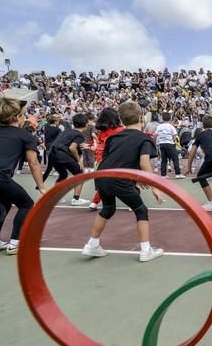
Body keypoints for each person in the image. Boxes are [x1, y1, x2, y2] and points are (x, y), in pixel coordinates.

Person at [81, 101, 164, 263]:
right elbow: (144, 163)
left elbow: (110, 158)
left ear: (120, 119)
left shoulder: (113, 137)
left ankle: (92, 244)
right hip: (118, 178)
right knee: (141, 211)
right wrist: (155, 187)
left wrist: (135, 177)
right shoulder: (145, 139)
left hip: (102, 176)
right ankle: (146, 250)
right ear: (142, 118)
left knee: (108, 208)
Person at [0, 97, 46, 256]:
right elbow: (33, 163)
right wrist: (41, 186)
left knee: (2, 204)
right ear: (17, 118)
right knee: (26, 204)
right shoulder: (25, 136)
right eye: (24, 115)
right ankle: (15, 243)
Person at [49, 113, 91, 206]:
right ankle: (76, 199)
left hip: (52, 154)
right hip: (62, 155)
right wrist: (78, 161)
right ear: (86, 123)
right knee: (80, 175)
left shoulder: (67, 131)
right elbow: (72, 148)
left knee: (63, 174)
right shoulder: (79, 135)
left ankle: (56, 198)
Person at [88, 108, 125, 210]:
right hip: (116, 158)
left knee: (104, 181)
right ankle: (133, 201)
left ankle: (94, 202)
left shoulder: (102, 132)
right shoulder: (121, 130)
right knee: (126, 180)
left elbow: (99, 145)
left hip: (102, 158)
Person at [155, 113, 184, 179]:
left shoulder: (159, 126)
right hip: (170, 144)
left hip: (161, 144)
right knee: (175, 159)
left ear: (162, 118)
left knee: (164, 160)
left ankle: (163, 175)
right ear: (170, 119)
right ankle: (178, 173)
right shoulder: (171, 126)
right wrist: (173, 141)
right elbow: (174, 136)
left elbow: (156, 135)